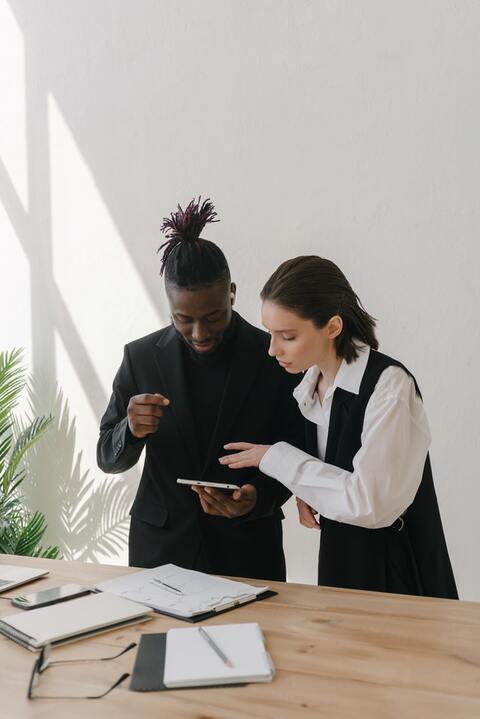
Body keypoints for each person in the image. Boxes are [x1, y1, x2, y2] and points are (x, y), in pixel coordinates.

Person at [219, 255, 458, 598]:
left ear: (332, 327)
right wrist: (307, 488)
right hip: (342, 566)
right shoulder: (309, 387)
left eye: (287, 336)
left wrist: (277, 459)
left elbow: (369, 502)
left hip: (396, 575)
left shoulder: (389, 387)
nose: (272, 350)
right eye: (271, 334)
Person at [97, 198, 303, 581]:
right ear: (169, 305)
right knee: (158, 644)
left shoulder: (273, 357)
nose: (199, 333)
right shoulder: (140, 358)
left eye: (212, 317)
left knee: (255, 642)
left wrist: (258, 498)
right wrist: (130, 428)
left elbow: (297, 447)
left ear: (232, 293)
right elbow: (108, 458)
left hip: (248, 548)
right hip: (160, 550)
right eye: (183, 319)